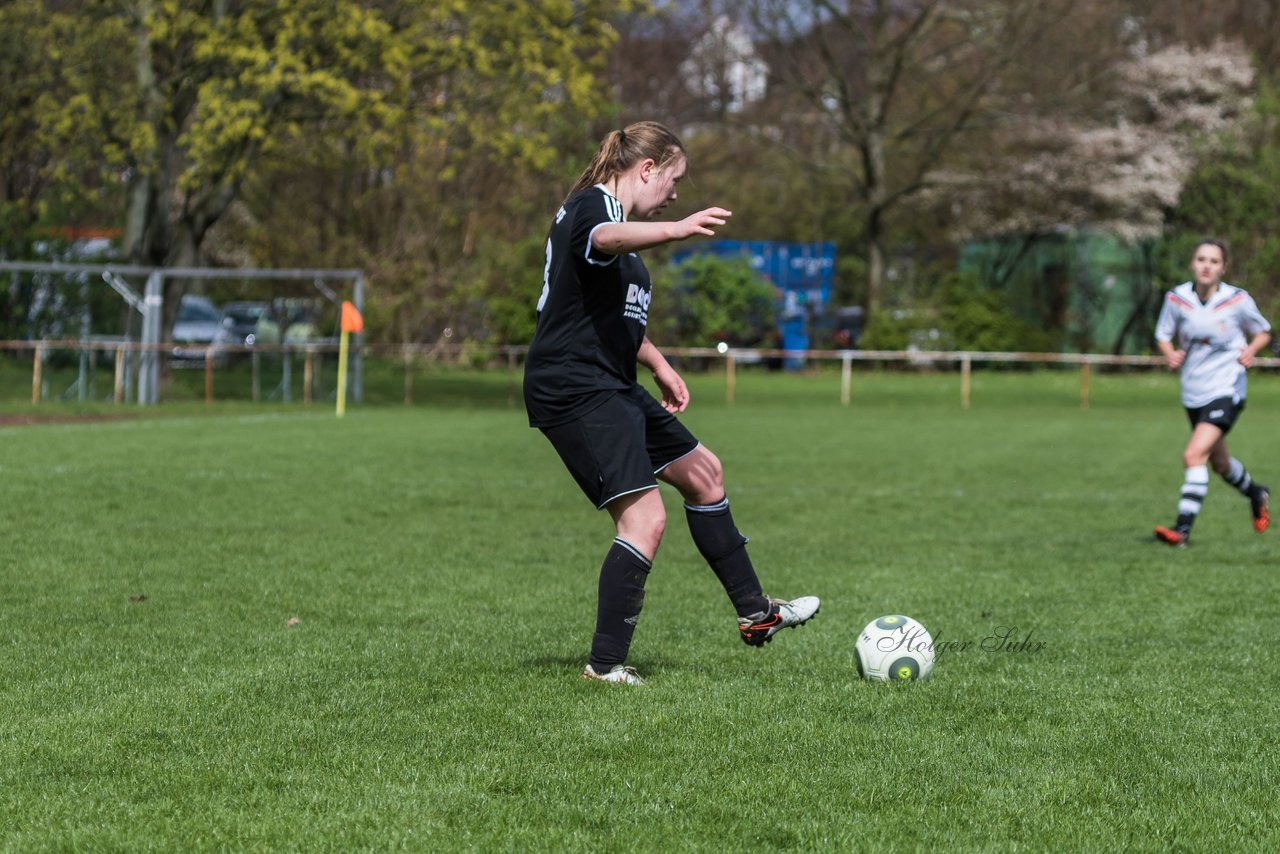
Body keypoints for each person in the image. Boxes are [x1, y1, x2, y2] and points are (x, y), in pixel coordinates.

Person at [523, 121, 819, 685]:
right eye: (674, 180)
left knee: (705, 473)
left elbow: (612, 314)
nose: (676, 195)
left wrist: (657, 363)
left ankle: (757, 614)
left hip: (608, 380)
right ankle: (605, 666)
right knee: (645, 519)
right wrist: (677, 230)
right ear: (647, 169)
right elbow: (607, 239)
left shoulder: (617, 222)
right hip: (573, 383)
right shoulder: (593, 208)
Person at [1153, 238, 1272, 547]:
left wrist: (1252, 350)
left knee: (1193, 454)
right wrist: (1169, 354)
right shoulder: (1177, 298)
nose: (1207, 265)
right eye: (1202, 259)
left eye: (1214, 261)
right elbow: (1163, 334)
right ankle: (1256, 493)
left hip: (1227, 389)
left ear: (1223, 267)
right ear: (1193, 263)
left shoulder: (1237, 300)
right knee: (1219, 464)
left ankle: (1182, 530)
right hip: (1193, 390)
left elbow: (1263, 331)